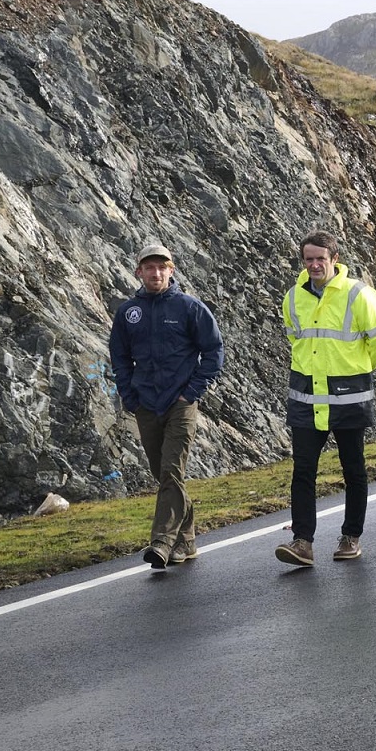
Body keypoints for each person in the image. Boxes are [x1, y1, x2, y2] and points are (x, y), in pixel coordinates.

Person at [275, 230, 376, 567]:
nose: (314, 265)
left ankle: (351, 536)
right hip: (306, 397)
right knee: (303, 471)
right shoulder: (293, 297)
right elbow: (294, 340)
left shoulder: (359, 294)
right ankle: (302, 542)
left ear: (334, 259)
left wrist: (357, 368)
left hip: (349, 397)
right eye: (309, 259)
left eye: (320, 259)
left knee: (353, 469)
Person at [108, 242, 224, 569]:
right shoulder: (128, 312)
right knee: (163, 474)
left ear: (171, 271)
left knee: (172, 470)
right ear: (139, 272)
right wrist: (129, 396)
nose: (156, 272)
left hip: (181, 403)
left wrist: (193, 392)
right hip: (146, 404)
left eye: (162, 267)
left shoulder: (190, 307)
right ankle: (185, 541)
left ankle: (161, 541)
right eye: (149, 267)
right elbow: (119, 357)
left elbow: (214, 351)